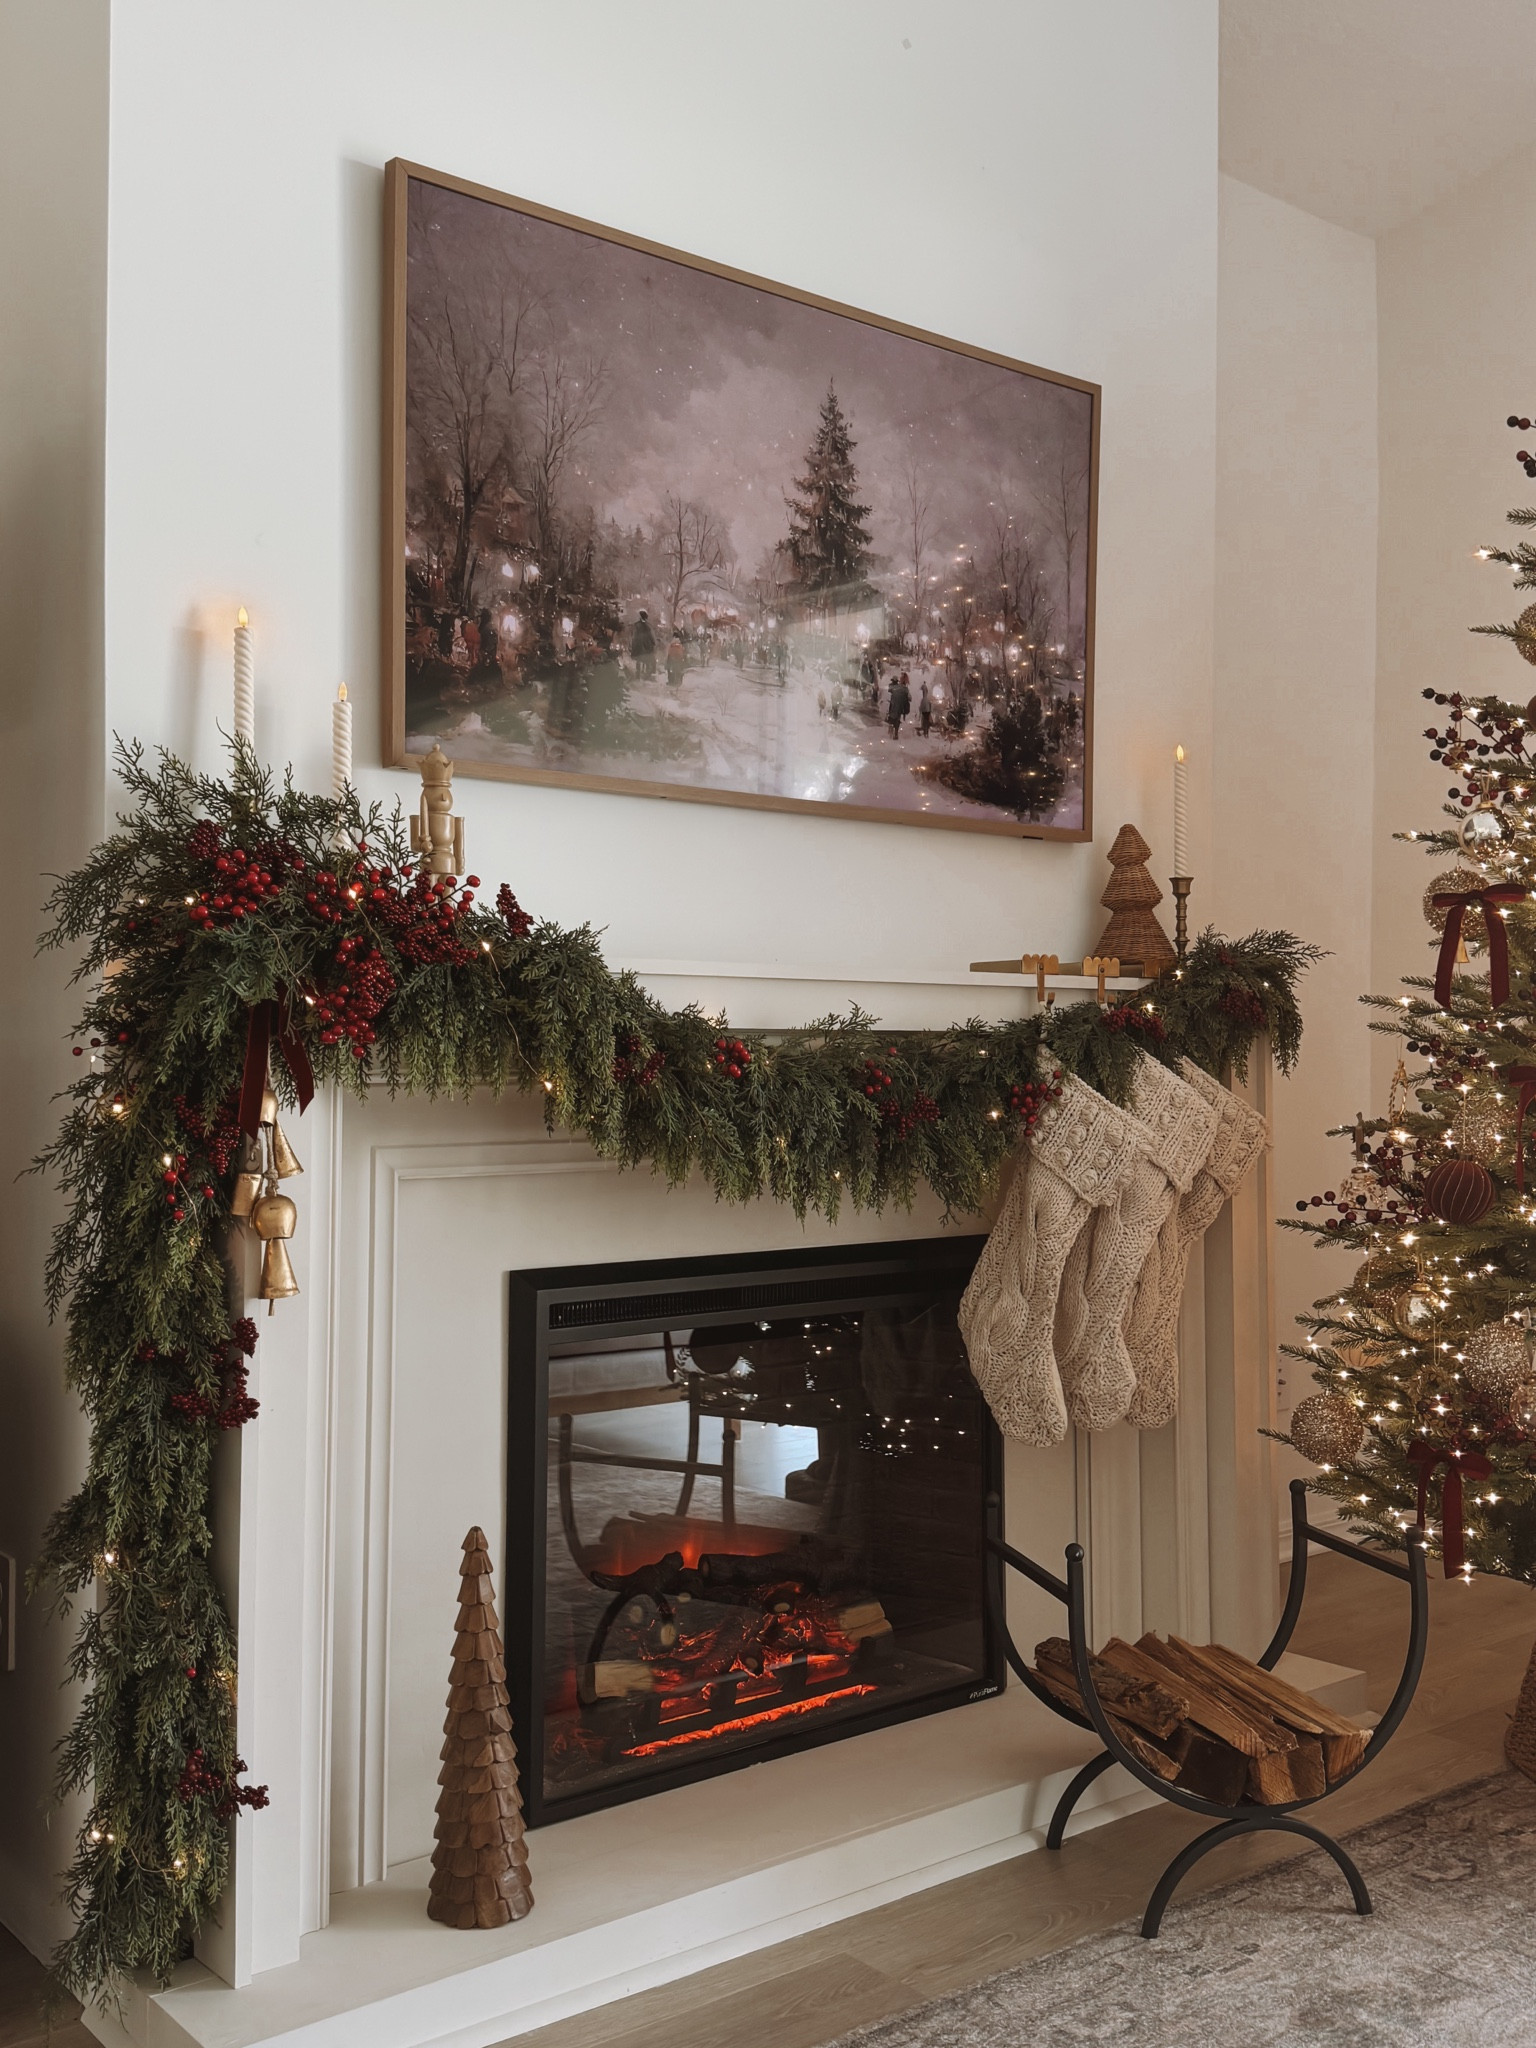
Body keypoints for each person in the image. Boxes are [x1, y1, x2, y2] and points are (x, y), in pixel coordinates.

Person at [630, 609, 656, 679]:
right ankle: (647, 675)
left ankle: (638, 674)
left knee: (638, 659)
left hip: (638, 645)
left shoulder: (636, 625)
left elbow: (633, 635)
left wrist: (633, 643)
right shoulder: (648, 626)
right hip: (646, 645)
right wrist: (653, 642)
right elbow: (651, 635)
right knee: (647, 659)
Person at [887, 670, 911, 739]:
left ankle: (893, 730)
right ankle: (895, 733)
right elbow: (909, 698)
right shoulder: (905, 689)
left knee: (892, 716)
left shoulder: (894, 687)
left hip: (894, 705)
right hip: (899, 706)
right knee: (896, 718)